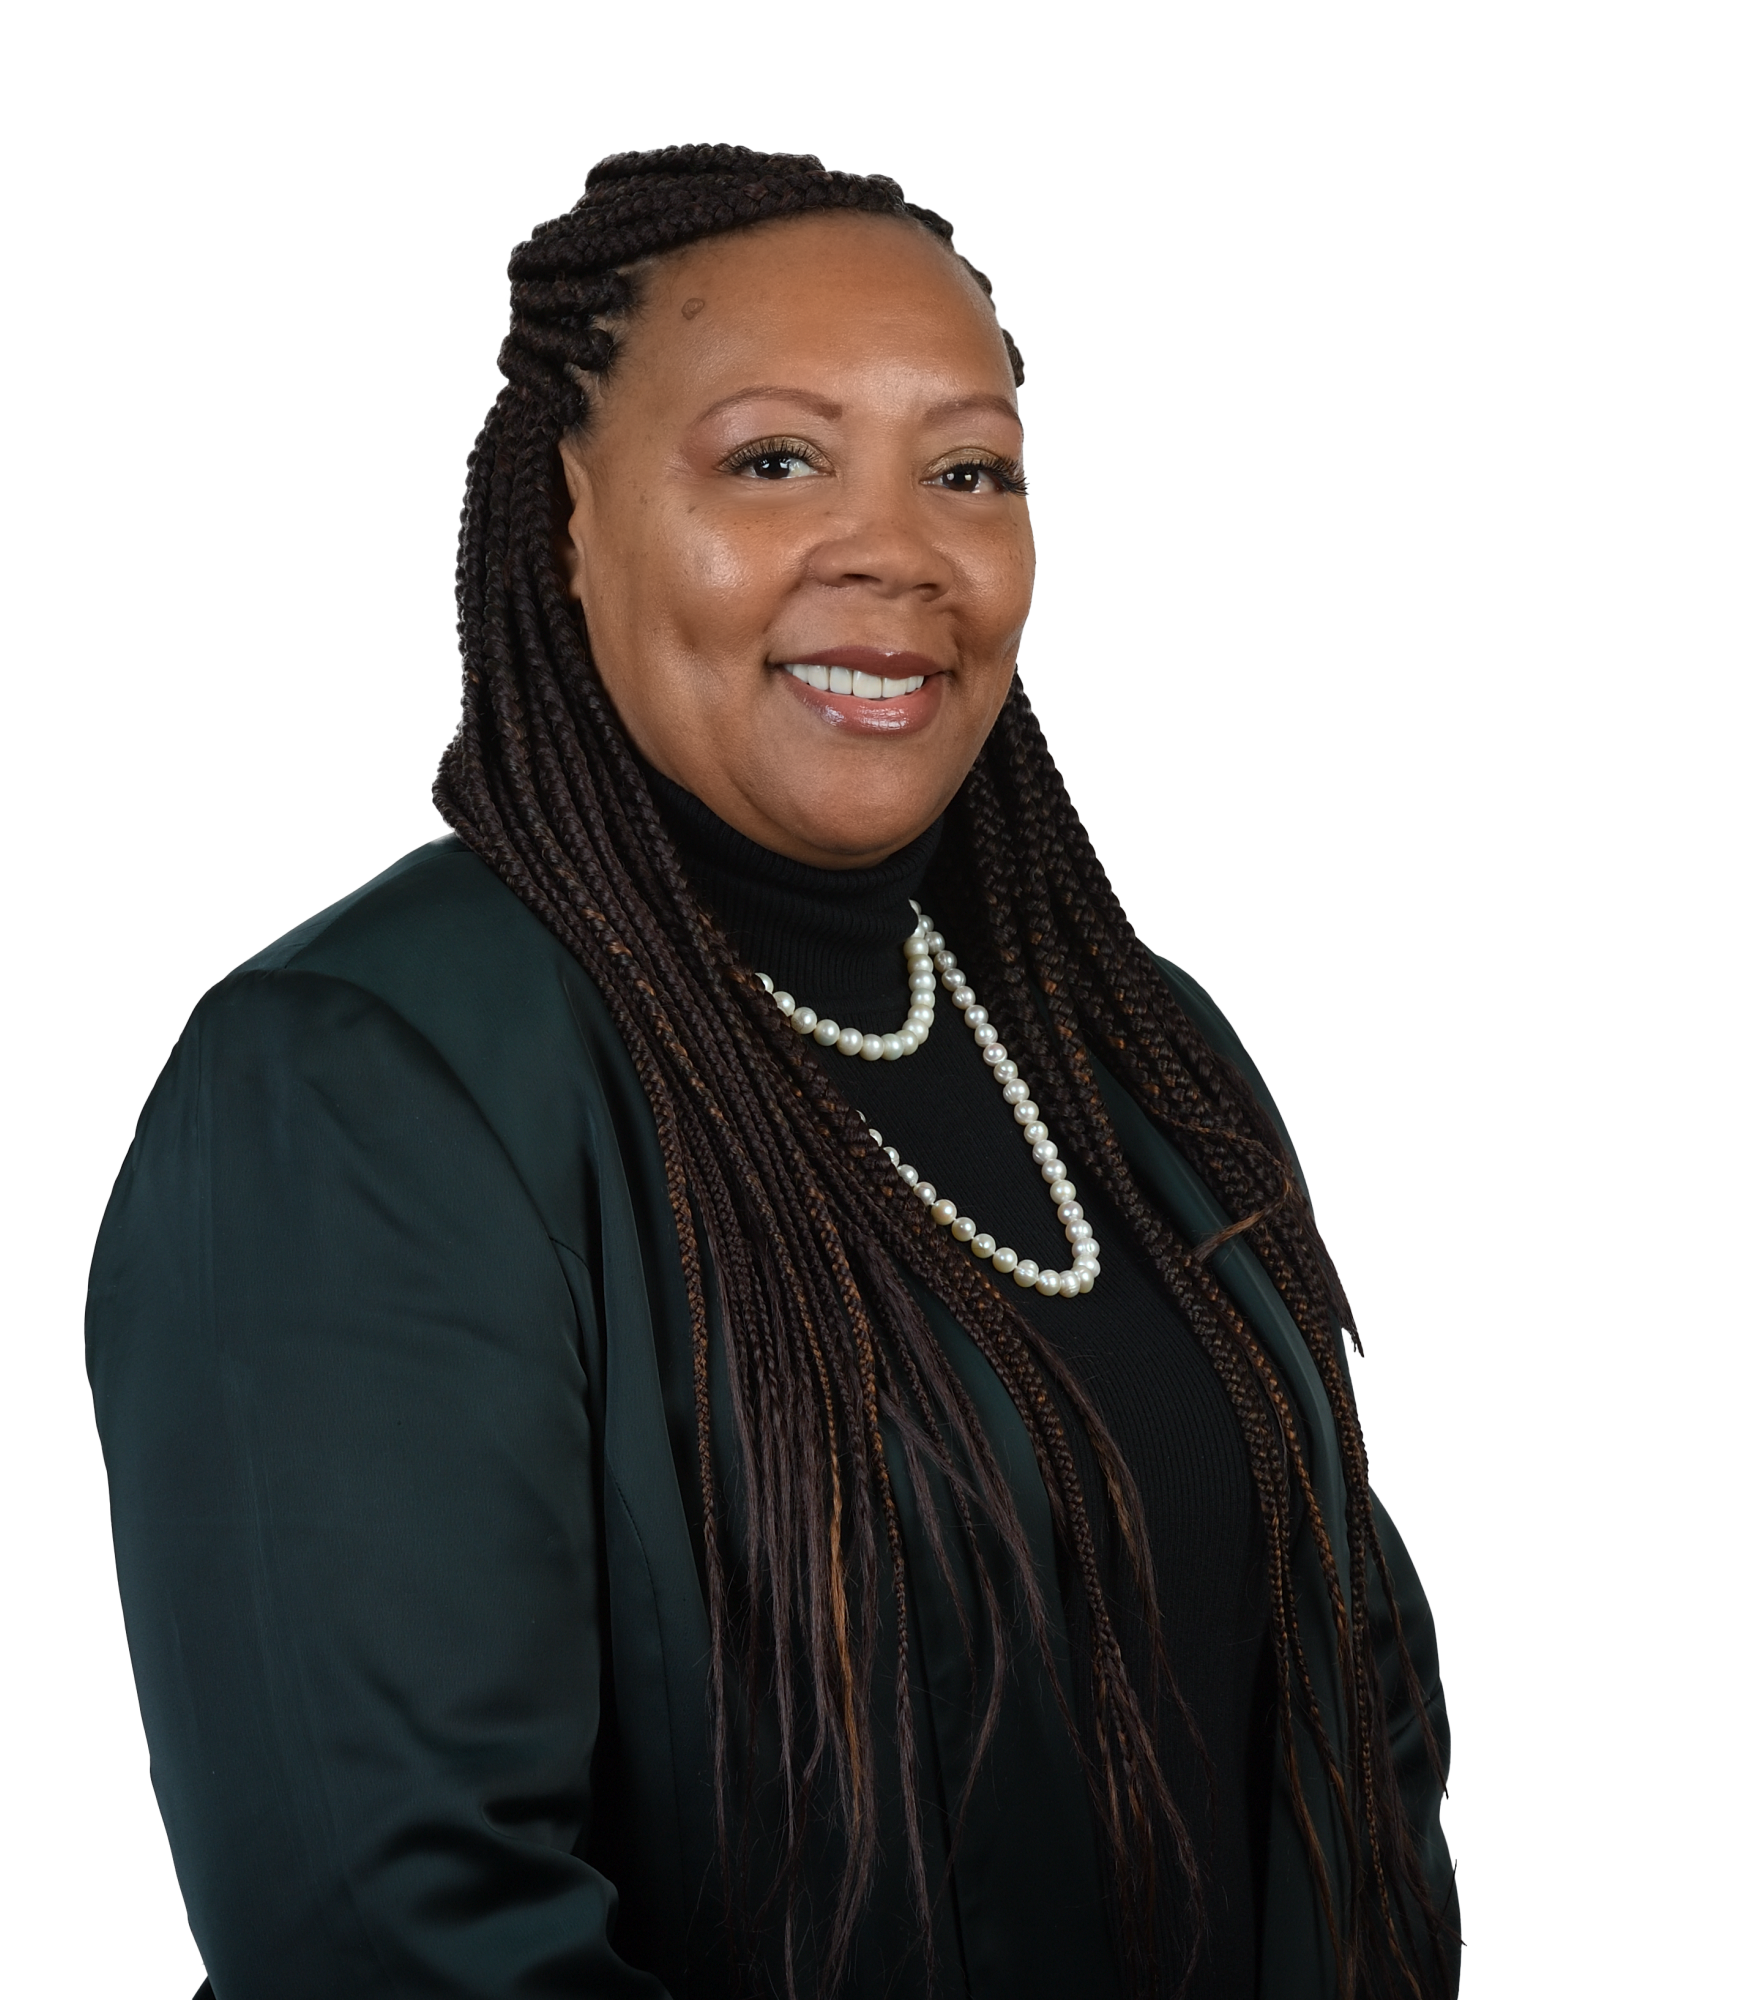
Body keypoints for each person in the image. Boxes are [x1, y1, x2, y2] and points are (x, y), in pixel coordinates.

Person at [87, 143, 1457, 1998]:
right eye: (776, 460)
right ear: (565, 516)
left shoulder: (1139, 1047)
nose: (897, 548)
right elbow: (395, 1935)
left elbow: (1357, 1716)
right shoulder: (360, 1090)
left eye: (968, 471)